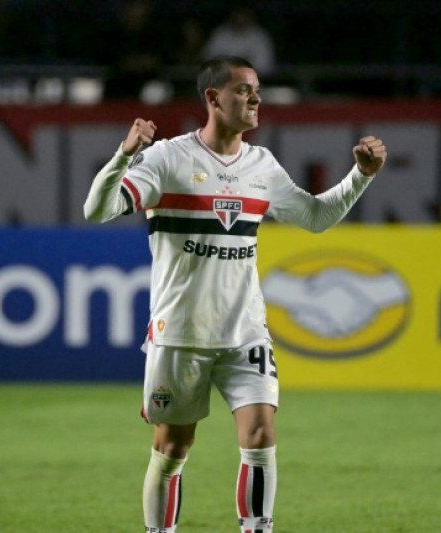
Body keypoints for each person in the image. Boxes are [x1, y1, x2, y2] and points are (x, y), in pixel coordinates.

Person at [83, 55, 386, 533]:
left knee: (261, 434)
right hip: (180, 332)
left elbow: (315, 216)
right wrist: (123, 155)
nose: (256, 99)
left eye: (257, 90)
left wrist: (361, 177)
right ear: (213, 98)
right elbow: (96, 209)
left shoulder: (261, 165)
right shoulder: (167, 158)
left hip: (245, 330)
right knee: (172, 448)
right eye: (244, 90)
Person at [201, 5, 275, 74]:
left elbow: (264, 66)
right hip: (221, 81)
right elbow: (208, 60)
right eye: (238, 14)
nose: (240, 18)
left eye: (243, 14)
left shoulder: (260, 36)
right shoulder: (221, 34)